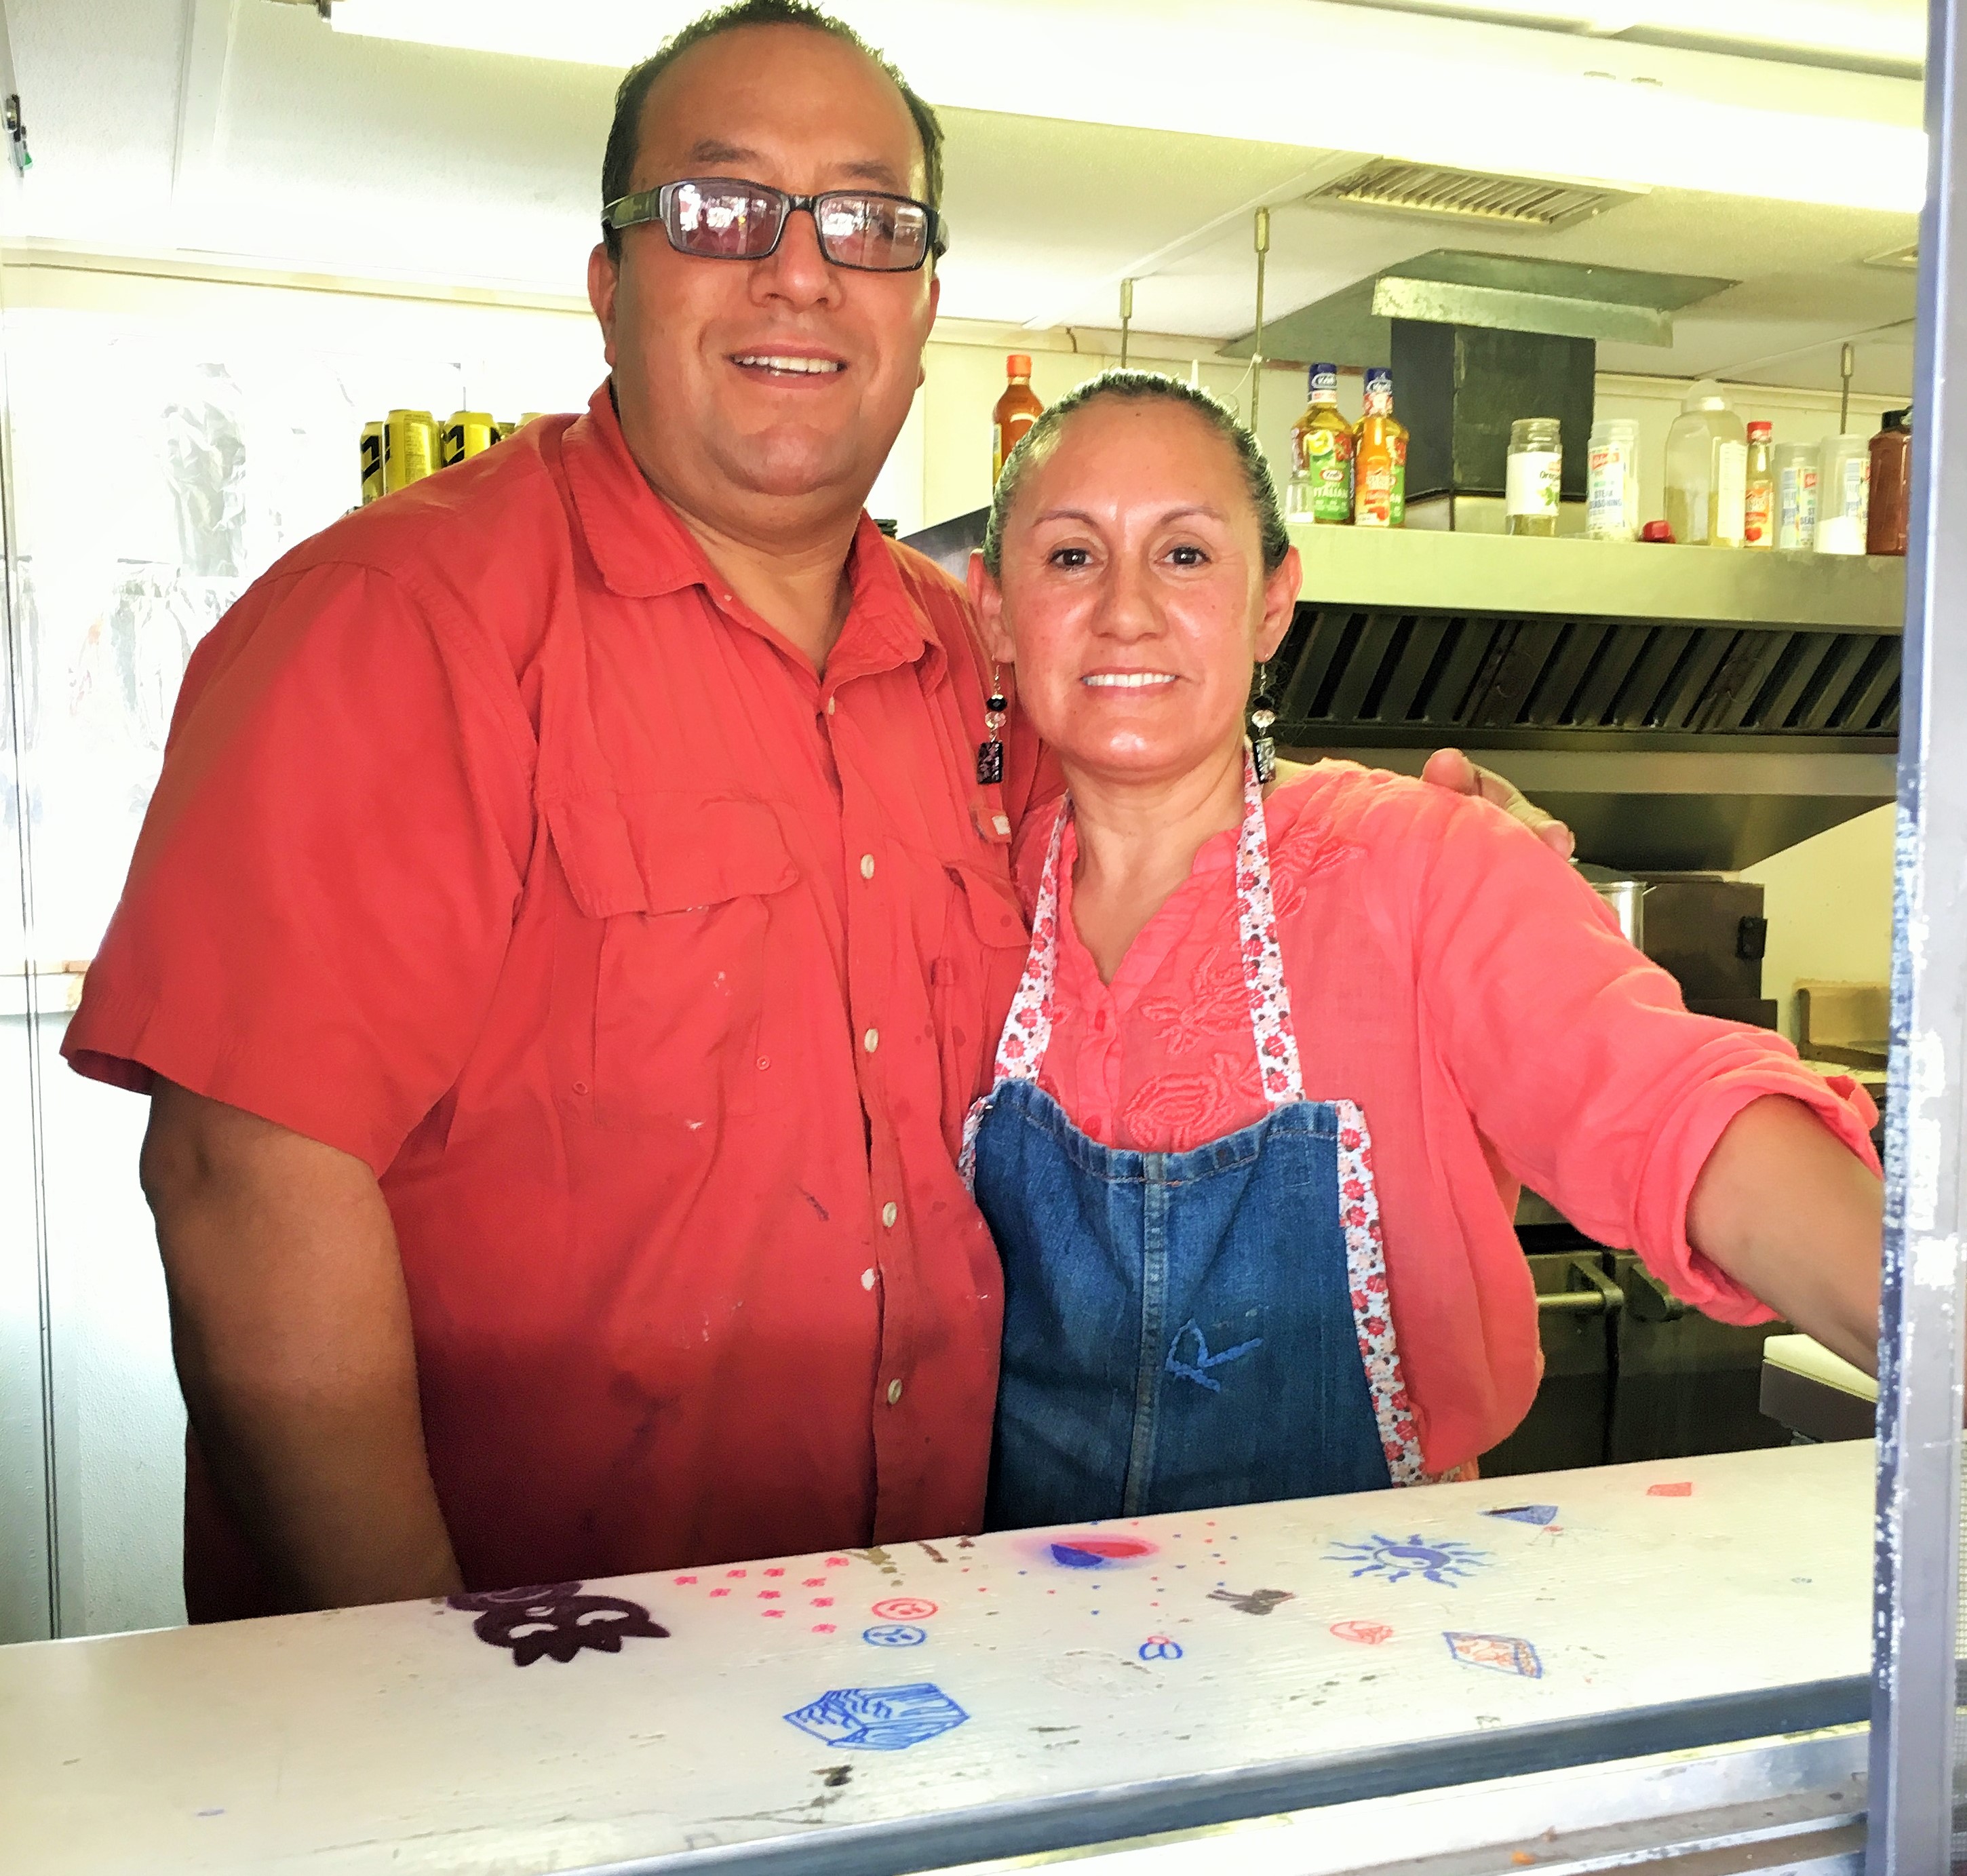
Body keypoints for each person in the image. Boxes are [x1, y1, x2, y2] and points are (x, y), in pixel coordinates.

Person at [63, 1, 1566, 1620]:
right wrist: (424, 1693)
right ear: (609, 283)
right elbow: (242, 1188)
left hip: (918, 1647)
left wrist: (1442, 861)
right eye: (720, 209)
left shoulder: (973, 656)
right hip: (526, 1684)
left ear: (919, 308)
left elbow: (1194, 844)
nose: (800, 270)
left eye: (867, 222)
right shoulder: (398, 624)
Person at [964, 371, 1882, 1527]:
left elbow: (1674, 1110)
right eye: (1071, 556)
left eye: (1188, 554)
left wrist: (1926, 1327)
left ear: (1273, 601)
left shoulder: (1426, 865)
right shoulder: (958, 892)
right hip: (1012, 1621)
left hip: (1364, 1621)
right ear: (994, 607)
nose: (1129, 609)